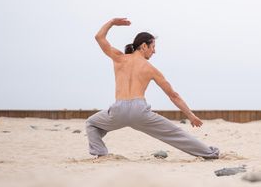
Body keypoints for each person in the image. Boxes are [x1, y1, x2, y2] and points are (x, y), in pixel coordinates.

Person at [85, 17, 220, 159]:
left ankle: (101, 154)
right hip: (139, 111)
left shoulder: (119, 58)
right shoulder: (151, 69)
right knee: (174, 134)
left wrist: (112, 22)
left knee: (92, 124)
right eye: (153, 47)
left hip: (118, 110)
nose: (154, 51)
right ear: (144, 46)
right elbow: (173, 95)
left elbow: (99, 37)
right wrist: (191, 116)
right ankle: (210, 153)